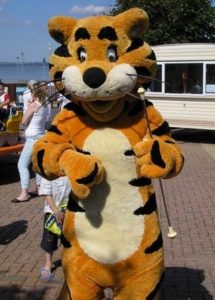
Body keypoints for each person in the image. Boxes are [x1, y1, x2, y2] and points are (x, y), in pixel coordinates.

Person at [11, 83, 49, 203]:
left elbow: (23, 122)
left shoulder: (33, 105)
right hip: (41, 137)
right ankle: (39, 188)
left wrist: (28, 107)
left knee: (22, 165)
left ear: (34, 93)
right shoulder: (45, 104)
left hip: (32, 139)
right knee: (36, 164)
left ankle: (24, 193)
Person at [39, 176, 71, 280]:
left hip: (69, 211)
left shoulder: (70, 170)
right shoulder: (48, 174)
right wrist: (56, 211)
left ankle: (68, 262)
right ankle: (48, 265)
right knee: (49, 239)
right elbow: (46, 194)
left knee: (67, 239)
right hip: (52, 212)